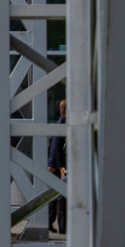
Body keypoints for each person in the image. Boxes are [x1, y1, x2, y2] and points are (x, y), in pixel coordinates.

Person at [47, 98, 68, 235]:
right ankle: (62, 227)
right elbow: (56, 147)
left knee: (55, 195)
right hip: (58, 164)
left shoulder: (61, 121)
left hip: (55, 163)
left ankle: (50, 222)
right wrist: (58, 166)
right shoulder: (63, 123)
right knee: (60, 196)